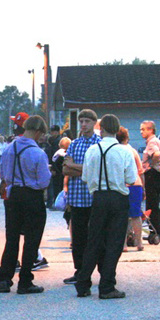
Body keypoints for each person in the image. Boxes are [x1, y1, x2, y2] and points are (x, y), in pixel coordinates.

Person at [74, 115, 138, 300]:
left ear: (100, 129)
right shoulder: (124, 151)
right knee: (114, 243)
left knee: (93, 241)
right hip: (118, 198)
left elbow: (85, 177)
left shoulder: (92, 150)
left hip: (98, 197)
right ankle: (107, 285)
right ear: (117, 129)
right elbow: (131, 179)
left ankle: (83, 283)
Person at [0, 115, 51, 294]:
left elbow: (3, 175)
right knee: (32, 239)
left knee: (12, 238)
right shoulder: (38, 153)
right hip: (32, 197)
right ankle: (25, 281)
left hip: (13, 195)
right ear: (39, 131)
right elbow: (43, 181)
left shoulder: (9, 149)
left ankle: (5, 279)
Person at [62, 110, 102, 285]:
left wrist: (75, 166)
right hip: (77, 198)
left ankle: (101, 272)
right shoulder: (74, 144)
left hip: (94, 198)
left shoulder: (99, 144)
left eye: (87, 121)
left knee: (97, 237)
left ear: (94, 123)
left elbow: (98, 170)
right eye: (81, 121)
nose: (84, 124)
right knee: (78, 238)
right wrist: (84, 168)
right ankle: (79, 270)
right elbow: (65, 169)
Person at [140, 120, 160, 244]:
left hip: (151, 175)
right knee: (154, 204)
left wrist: (152, 164)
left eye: (143, 129)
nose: (141, 132)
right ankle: (157, 231)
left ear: (151, 130)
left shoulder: (152, 142)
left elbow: (157, 153)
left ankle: (156, 232)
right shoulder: (157, 141)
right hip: (156, 174)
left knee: (151, 205)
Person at [117, 127, 146, 252]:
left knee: (122, 215)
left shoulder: (115, 151)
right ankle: (139, 242)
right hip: (135, 184)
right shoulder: (133, 151)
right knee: (136, 215)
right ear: (126, 137)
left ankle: (123, 244)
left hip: (121, 185)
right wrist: (143, 187)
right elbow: (140, 171)